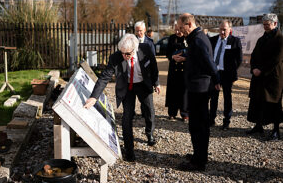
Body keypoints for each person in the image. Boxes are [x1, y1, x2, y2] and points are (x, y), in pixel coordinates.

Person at [83, 34, 161, 162]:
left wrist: (156, 83)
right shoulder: (115, 57)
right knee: (127, 117)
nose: (124, 56)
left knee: (149, 110)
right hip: (127, 87)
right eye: (122, 53)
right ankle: (129, 151)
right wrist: (94, 97)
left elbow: (153, 67)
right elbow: (104, 77)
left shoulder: (146, 49)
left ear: (135, 49)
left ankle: (149, 133)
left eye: (128, 54)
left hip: (143, 84)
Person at [177, 13, 220, 171]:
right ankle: (199, 155)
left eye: (182, 27)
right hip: (197, 87)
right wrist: (185, 57)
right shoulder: (195, 38)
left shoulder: (198, 39)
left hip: (199, 89)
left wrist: (217, 80)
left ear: (189, 24)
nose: (180, 31)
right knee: (198, 125)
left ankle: (199, 161)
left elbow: (209, 61)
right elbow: (198, 57)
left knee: (198, 125)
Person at [246, 13, 283, 140]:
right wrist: (254, 68)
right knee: (258, 101)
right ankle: (258, 125)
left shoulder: (280, 39)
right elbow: (254, 56)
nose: (265, 27)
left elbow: (276, 59)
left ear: (275, 24)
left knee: (274, 104)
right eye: (264, 25)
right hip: (259, 76)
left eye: (267, 25)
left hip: (273, 77)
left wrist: (261, 69)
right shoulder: (262, 39)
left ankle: (276, 130)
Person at [209, 20, 243, 130]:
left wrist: (232, 72)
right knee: (213, 97)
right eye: (220, 29)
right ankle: (211, 119)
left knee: (227, 98)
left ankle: (226, 121)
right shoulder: (213, 40)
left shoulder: (235, 41)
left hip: (227, 74)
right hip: (215, 73)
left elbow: (239, 59)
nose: (222, 32)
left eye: (225, 29)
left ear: (230, 30)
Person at [165, 24, 189, 121]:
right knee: (173, 90)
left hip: (184, 68)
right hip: (173, 69)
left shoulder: (187, 38)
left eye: (179, 30)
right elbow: (167, 53)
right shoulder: (171, 38)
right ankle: (172, 113)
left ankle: (185, 113)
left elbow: (191, 52)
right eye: (175, 30)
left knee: (184, 91)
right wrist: (172, 57)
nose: (177, 32)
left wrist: (184, 58)